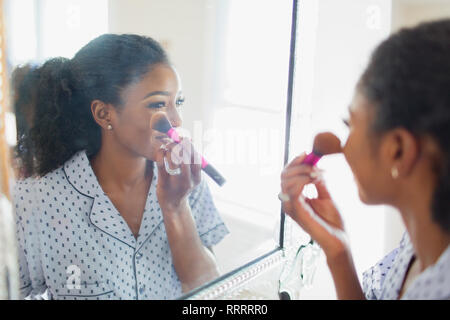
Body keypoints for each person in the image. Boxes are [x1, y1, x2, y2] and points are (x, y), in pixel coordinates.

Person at [13, 34, 229, 300]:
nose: (175, 119)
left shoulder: (185, 181)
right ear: (104, 114)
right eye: (158, 104)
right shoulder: (38, 199)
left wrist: (176, 207)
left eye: (178, 102)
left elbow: (208, 290)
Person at [280, 19, 450, 299]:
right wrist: (338, 251)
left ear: (398, 149)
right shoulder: (415, 246)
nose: (343, 145)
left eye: (350, 123)